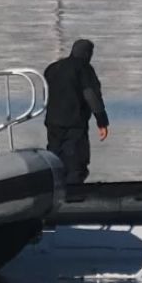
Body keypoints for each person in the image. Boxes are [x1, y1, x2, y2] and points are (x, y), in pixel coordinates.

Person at [44, 39, 109, 184]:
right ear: (87, 53)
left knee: (55, 160)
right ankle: (73, 196)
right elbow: (91, 95)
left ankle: (54, 190)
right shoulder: (84, 68)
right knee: (75, 163)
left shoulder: (53, 68)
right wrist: (102, 121)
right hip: (74, 124)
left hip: (52, 122)